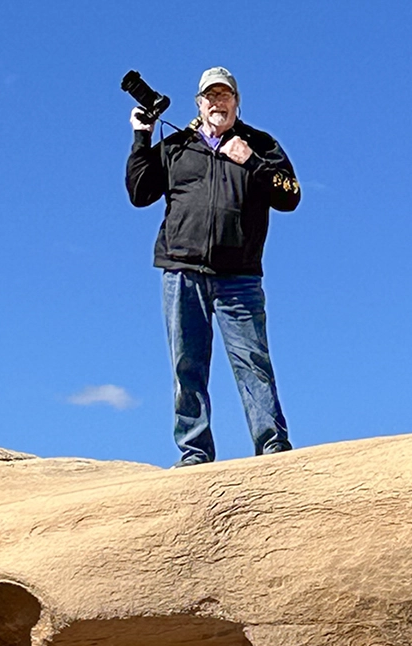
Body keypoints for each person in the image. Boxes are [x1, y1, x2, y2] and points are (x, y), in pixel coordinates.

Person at [126, 66, 302, 467]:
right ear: (198, 103)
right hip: (181, 270)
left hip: (239, 276)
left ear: (237, 102)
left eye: (225, 96)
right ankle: (194, 453)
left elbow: (290, 196)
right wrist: (141, 137)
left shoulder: (260, 143)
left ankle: (271, 446)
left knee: (252, 362)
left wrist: (253, 162)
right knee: (187, 364)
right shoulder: (177, 145)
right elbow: (139, 192)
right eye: (210, 96)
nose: (217, 102)